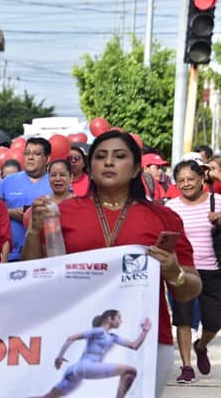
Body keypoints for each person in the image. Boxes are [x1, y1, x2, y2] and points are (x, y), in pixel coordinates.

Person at [22, 131, 202, 396]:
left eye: (119, 156)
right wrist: (33, 231)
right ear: (89, 167)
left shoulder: (163, 218)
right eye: (101, 157)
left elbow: (190, 288)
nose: (108, 163)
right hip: (70, 335)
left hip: (150, 343)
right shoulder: (62, 214)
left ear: (136, 168)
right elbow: (30, 274)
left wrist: (174, 271)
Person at [165, 160, 221, 383]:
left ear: (201, 179)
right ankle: (187, 366)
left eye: (190, 179)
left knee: (214, 321)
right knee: (183, 318)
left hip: (213, 270)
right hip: (182, 270)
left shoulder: (217, 202)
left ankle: (202, 345)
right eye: (181, 181)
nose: (186, 184)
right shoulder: (170, 207)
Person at [32, 310, 151, 398]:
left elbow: (134, 345)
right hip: (86, 367)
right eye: (119, 318)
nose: (121, 321)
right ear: (110, 318)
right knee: (131, 371)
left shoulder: (112, 337)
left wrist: (145, 331)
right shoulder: (99, 331)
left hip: (75, 370)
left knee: (47, 397)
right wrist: (59, 357)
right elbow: (71, 338)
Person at [0, 137, 52, 262]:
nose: (30, 157)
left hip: (45, 256)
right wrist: (11, 213)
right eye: (27, 153)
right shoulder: (7, 182)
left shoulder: (56, 182)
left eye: (37, 154)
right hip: (11, 255)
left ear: (47, 159)